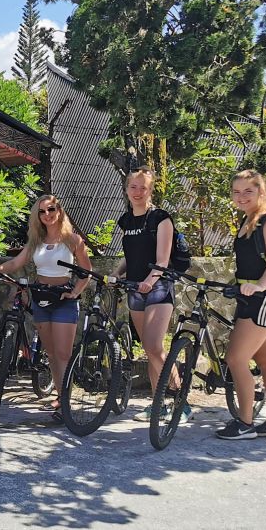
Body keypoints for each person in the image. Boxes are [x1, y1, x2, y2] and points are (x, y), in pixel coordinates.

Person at [0, 195, 90, 422]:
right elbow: (15, 263)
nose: (47, 215)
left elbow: (86, 272)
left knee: (63, 354)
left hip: (64, 301)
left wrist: (76, 292)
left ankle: (66, 401)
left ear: (59, 210)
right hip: (41, 299)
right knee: (51, 354)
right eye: (42, 212)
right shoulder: (36, 241)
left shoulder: (73, 240)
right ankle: (62, 398)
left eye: (51, 209)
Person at [217, 169, 266, 440]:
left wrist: (259, 286)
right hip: (251, 296)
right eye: (236, 192)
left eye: (248, 191)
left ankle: (245, 422)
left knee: (235, 358)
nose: (241, 197)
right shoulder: (249, 221)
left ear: (261, 191)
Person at [113, 167, 190, 422]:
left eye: (142, 187)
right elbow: (131, 255)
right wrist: (117, 273)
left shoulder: (161, 218)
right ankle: (159, 405)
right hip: (135, 288)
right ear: (126, 189)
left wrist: (149, 281)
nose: (137, 192)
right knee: (148, 348)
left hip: (158, 287)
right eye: (133, 187)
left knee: (155, 347)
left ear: (150, 190)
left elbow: (162, 259)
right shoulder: (126, 221)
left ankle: (180, 401)